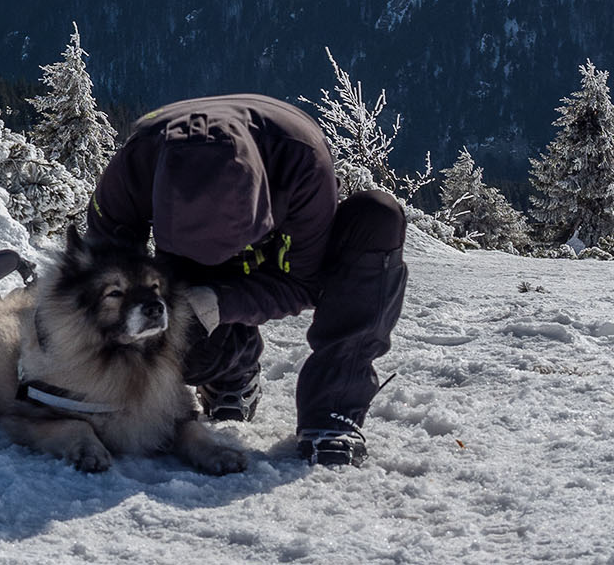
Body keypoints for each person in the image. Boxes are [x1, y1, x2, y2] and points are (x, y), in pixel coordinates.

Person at [83, 93, 406, 467]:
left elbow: (301, 283)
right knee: (167, 338)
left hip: (279, 232)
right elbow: (102, 273)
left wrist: (219, 302)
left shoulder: (302, 164)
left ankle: (333, 412)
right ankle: (231, 367)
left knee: (377, 218)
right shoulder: (135, 165)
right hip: (181, 269)